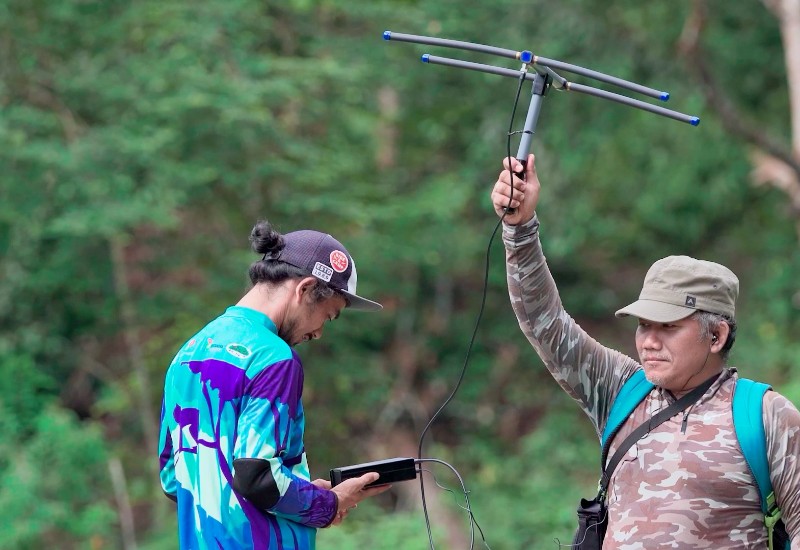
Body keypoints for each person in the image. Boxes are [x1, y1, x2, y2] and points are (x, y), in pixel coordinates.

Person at [490, 154, 800, 548]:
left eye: (668, 327)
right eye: (643, 325)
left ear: (716, 335)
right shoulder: (621, 390)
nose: (649, 341)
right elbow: (543, 321)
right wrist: (519, 229)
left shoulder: (765, 415)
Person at [158, 219, 391, 549]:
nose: (319, 333)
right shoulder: (274, 358)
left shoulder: (190, 351)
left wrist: (298, 490)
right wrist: (331, 503)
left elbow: (173, 478)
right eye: (327, 315)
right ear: (305, 289)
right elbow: (258, 476)